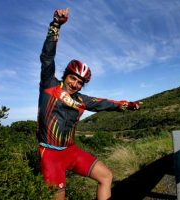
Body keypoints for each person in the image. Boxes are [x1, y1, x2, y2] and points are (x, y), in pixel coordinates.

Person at [37, 8, 141, 200]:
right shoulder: (49, 85)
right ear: (66, 75)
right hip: (50, 154)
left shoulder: (81, 101)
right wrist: (56, 25)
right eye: (73, 78)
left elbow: (105, 104)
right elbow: (47, 57)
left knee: (106, 176)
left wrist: (129, 105)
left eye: (80, 82)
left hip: (71, 151)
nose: (75, 84)